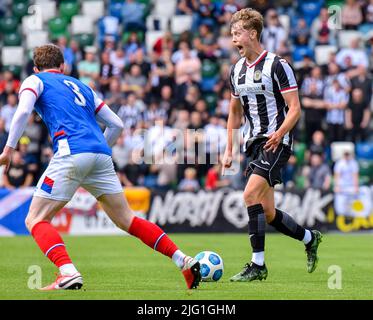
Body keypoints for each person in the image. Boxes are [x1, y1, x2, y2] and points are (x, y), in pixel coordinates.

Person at [0, 44, 201, 291]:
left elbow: (22, 112)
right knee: (127, 219)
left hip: (71, 151)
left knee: (36, 219)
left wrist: (8, 149)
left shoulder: (34, 80)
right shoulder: (83, 86)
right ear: (63, 66)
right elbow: (116, 123)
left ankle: (67, 272)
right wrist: (97, 151)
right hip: (101, 154)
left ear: (35, 67)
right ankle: (183, 260)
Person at [222, 8, 322, 282]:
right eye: (232, 35)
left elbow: (295, 108)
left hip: (277, 142)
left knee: (249, 195)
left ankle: (258, 265)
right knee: (267, 212)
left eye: (237, 34)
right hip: (253, 144)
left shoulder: (278, 65)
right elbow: (234, 112)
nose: (234, 40)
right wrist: (229, 149)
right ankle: (309, 238)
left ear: (252, 34)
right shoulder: (236, 71)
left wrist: (279, 133)